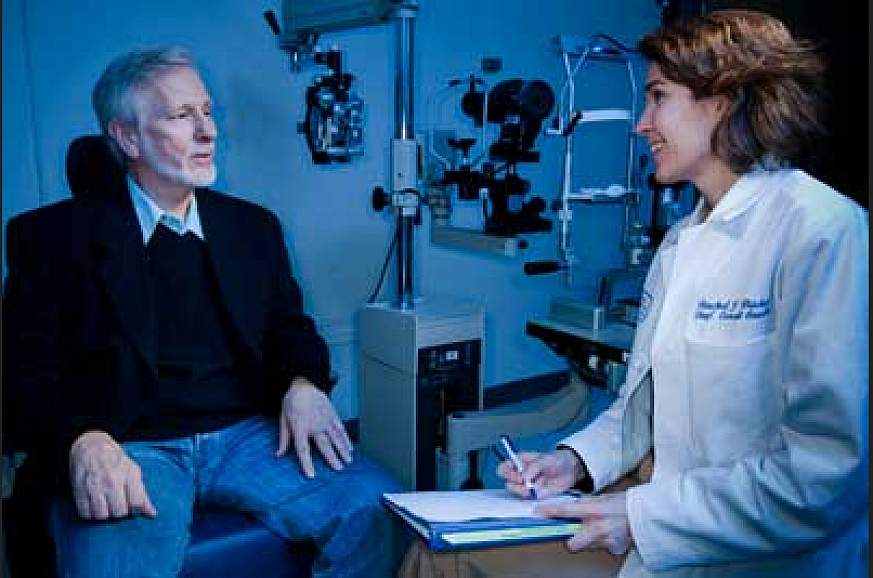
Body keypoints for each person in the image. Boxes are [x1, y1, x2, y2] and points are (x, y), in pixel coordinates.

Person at [495, 9, 868, 578]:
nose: (641, 124)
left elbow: (826, 476)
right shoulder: (682, 241)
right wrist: (573, 462)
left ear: (725, 99)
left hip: (772, 563)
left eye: (657, 97)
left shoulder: (823, 230)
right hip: (667, 543)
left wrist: (646, 515)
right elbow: (641, 404)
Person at [3, 46, 402, 578]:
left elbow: (290, 329)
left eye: (208, 112)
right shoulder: (51, 240)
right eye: (180, 116)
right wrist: (84, 438)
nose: (208, 131)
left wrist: (303, 383)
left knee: (380, 512)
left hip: (247, 436)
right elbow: (22, 374)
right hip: (131, 445)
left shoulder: (252, 228)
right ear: (127, 138)